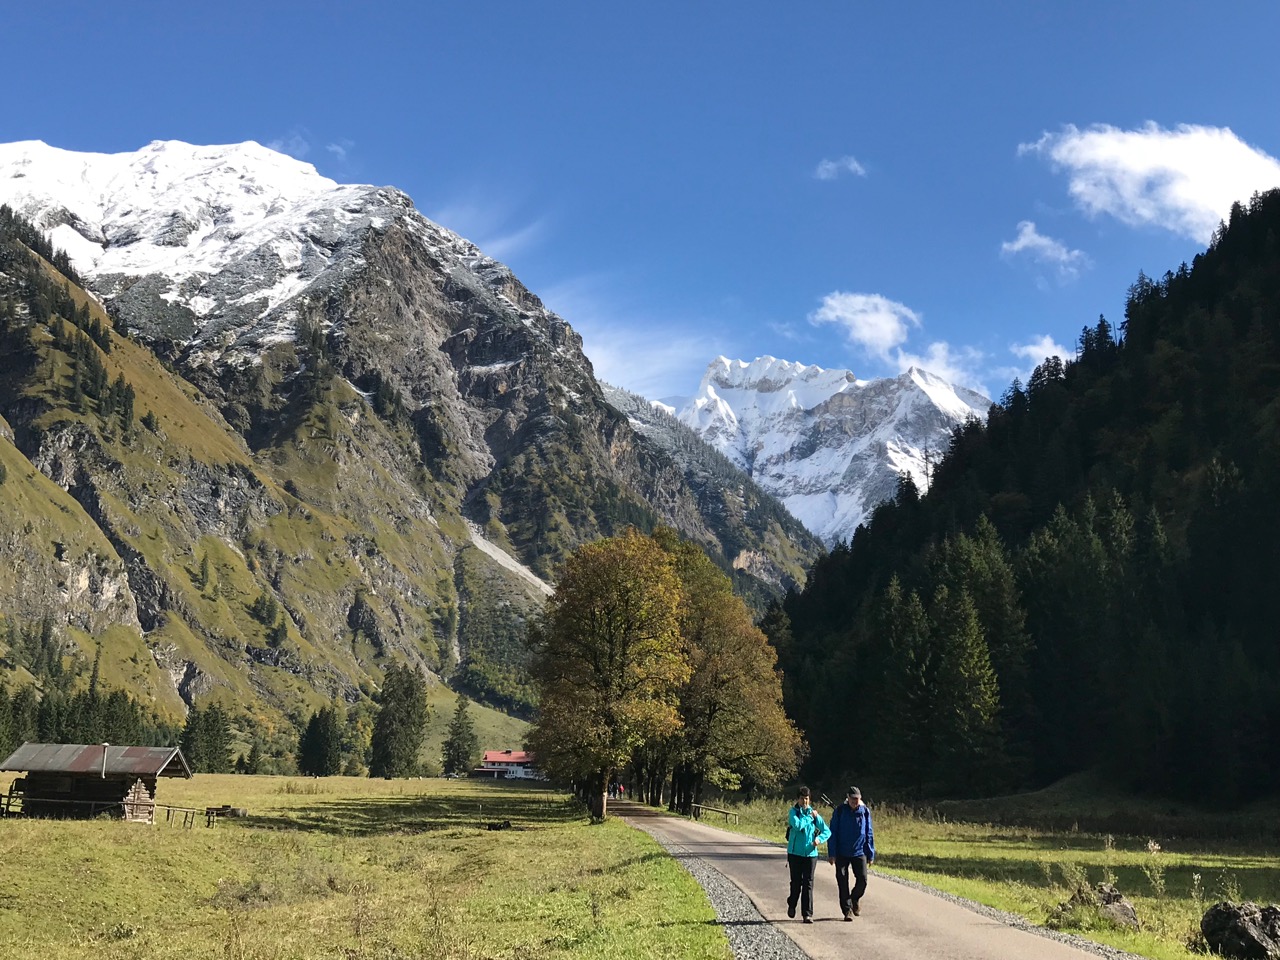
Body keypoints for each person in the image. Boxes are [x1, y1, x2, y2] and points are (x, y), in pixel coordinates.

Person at [827, 786, 875, 920]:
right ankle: (847, 910)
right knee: (842, 882)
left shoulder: (865, 811)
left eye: (857, 799)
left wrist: (870, 853)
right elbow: (833, 832)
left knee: (863, 880)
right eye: (853, 799)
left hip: (859, 852)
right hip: (842, 852)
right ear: (848, 798)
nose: (855, 801)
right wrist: (832, 853)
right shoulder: (840, 811)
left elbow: (869, 833)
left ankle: (854, 898)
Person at [785, 786, 830, 923]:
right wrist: (810, 817)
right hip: (795, 854)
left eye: (807, 799)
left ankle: (807, 914)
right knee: (796, 883)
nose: (804, 801)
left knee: (808, 883)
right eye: (802, 798)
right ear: (798, 799)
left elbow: (827, 831)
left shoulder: (814, 815)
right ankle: (792, 903)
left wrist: (819, 839)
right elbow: (798, 826)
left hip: (811, 854)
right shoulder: (793, 812)